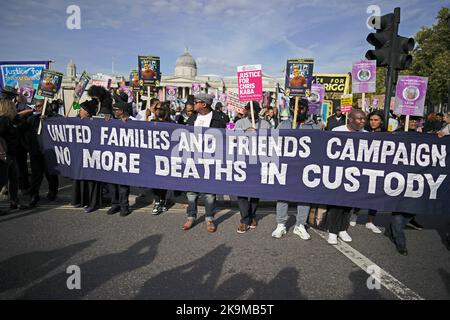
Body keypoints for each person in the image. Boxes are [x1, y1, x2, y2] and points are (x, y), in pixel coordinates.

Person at [272, 99, 321, 239]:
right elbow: (274, 142)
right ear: (291, 109)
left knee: (304, 197)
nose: (298, 111)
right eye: (295, 107)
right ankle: (281, 224)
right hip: (286, 167)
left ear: (307, 109)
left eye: (302, 108)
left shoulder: (314, 127)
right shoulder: (284, 124)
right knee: (282, 196)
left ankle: (300, 225)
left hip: (306, 168)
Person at [182, 93, 227, 233]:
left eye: (196, 102)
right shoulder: (192, 118)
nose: (193, 104)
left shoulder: (220, 118)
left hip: (211, 159)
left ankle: (209, 218)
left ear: (204, 104)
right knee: (191, 190)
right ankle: (191, 216)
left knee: (209, 192)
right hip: (192, 158)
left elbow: (228, 137)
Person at [384, 115, 424, 255]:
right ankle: (400, 243)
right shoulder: (397, 134)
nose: (412, 122)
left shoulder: (423, 136)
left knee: (411, 209)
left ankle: (392, 229)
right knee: (399, 213)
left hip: (415, 179)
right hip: (398, 179)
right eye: (410, 120)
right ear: (403, 121)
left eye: (415, 120)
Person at [326, 109, 367, 245]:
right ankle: (333, 232)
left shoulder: (367, 135)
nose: (362, 121)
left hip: (354, 176)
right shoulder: (338, 130)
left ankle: (343, 229)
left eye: (363, 119)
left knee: (348, 204)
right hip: (338, 173)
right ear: (350, 119)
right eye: (359, 118)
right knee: (336, 205)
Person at [234, 101, 271, 233]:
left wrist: (259, 135)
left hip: (258, 161)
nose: (251, 112)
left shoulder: (265, 124)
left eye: (253, 110)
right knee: (242, 192)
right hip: (242, 161)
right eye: (248, 110)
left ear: (257, 111)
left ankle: (253, 215)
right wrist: (245, 133)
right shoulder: (239, 123)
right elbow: (233, 140)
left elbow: (271, 141)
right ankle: (244, 220)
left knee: (255, 191)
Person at [348, 110, 387, 234]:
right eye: (371, 120)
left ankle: (370, 221)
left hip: (379, 168)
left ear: (381, 121)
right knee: (361, 191)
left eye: (376, 120)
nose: (373, 122)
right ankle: (354, 214)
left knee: (375, 194)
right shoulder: (363, 132)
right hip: (363, 167)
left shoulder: (386, 134)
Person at [71, 100, 104, 213]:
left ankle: (93, 203)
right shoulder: (77, 121)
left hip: (92, 156)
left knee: (92, 181)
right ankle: (82, 200)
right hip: (81, 156)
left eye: (81, 110)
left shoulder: (95, 122)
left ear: (88, 112)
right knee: (82, 178)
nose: (79, 111)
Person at [26, 99, 59, 208]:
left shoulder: (54, 118)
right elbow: (22, 129)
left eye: (41, 106)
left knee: (51, 174)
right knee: (36, 175)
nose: (39, 108)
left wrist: (48, 120)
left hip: (49, 151)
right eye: (37, 106)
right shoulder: (32, 119)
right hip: (36, 151)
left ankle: (52, 191)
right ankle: (34, 195)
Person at [105, 101, 132, 217]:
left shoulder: (132, 121)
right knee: (111, 183)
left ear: (122, 111)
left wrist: (128, 124)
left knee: (123, 184)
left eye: (116, 110)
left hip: (125, 158)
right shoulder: (112, 120)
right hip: (112, 156)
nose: (114, 112)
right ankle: (114, 204)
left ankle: (124, 206)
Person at [0, 99, 28, 210]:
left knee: (14, 179)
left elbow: (22, 121)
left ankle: (14, 201)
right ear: (9, 108)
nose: (15, 109)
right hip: (4, 155)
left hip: (11, 155)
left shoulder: (10, 120)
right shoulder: (3, 121)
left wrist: (29, 111)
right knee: (2, 180)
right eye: (13, 107)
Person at [150, 101, 173, 215]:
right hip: (154, 156)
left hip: (166, 156)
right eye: (157, 109)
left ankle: (163, 200)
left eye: (160, 109)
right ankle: (157, 201)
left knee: (163, 181)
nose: (157, 111)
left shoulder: (171, 123)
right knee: (155, 181)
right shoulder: (152, 122)